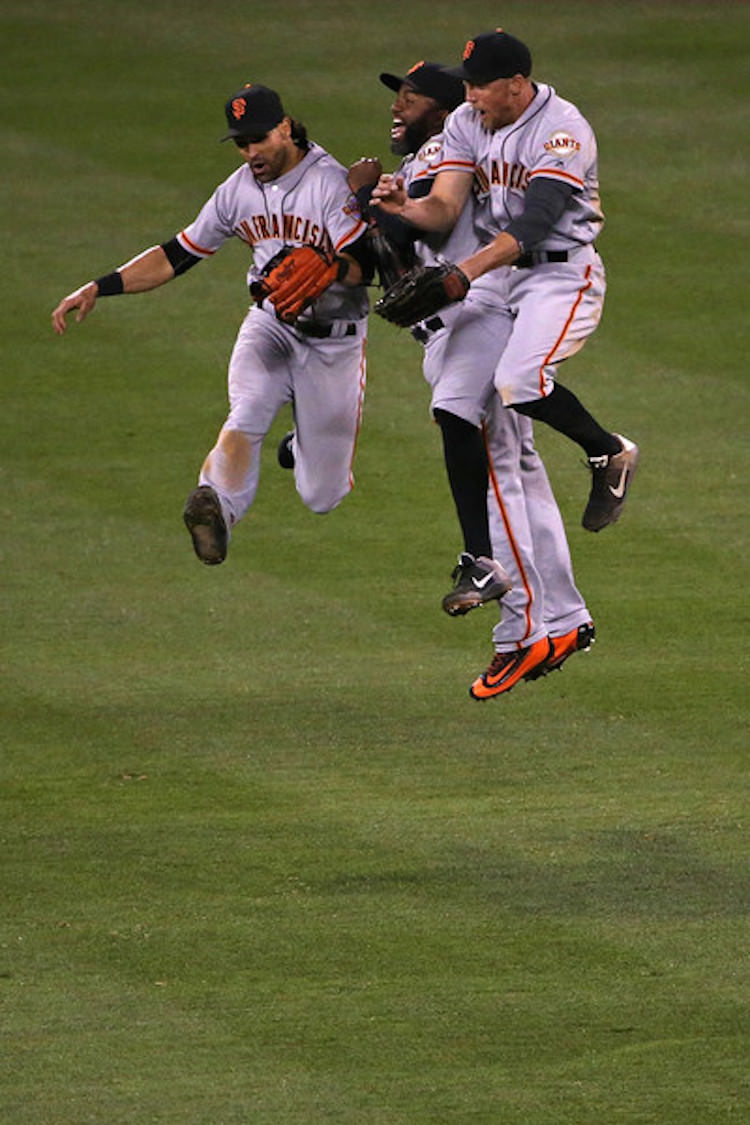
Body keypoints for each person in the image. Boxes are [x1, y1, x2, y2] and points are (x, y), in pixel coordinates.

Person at [52, 83, 372, 566]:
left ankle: (301, 445)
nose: (251, 152)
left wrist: (328, 266)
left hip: (334, 342)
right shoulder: (237, 190)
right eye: (242, 143)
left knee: (321, 495)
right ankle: (215, 504)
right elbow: (177, 254)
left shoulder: (328, 182)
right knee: (246, 412)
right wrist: (101, 285)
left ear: (285, 127)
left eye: (260, 138)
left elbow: (366, 266)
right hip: (270, 327)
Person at [362, 60, 595, 696]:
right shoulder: (454, 147)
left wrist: (376, 212)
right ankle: (564, 616)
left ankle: (522, 632)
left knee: (494, 469)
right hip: (483, 313)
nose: (398, 108)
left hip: (473, 319)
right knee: (518, 470)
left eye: (410, 99)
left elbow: (432, 218)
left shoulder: (446, 146)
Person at [371, 30, 639, 554]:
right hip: (500, 275)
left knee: (521, 382)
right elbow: (445, 207)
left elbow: (535, 225)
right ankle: (480, 560)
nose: (468, 96)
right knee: (454, 406)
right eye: (466, 86)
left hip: (561, 276)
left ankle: (609, 452)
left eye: (479, 87)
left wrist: (464, 272)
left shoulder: (562, 131)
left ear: (516, 85)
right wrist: (404, 207)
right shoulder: (468, 122)